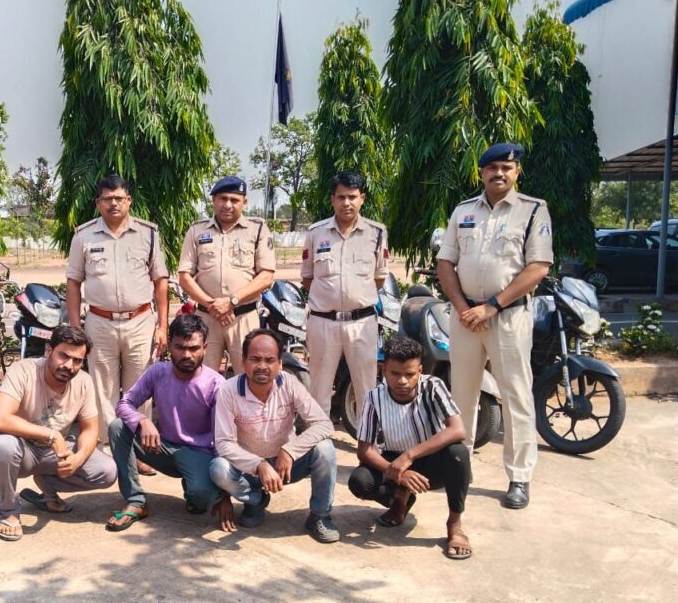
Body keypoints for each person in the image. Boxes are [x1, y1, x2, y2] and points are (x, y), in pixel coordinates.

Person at [436, 143, 552, 510]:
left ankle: (519, 476)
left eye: (506, 167)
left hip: (507, 317)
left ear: (517, 172)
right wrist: (462, 308)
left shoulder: (533, 210)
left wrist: (491, 307)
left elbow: (538, 267)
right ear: (481, 172)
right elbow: (445, 263)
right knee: (461, 396)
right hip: (465, 317)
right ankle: (459, 467)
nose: (499, 173)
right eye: (492, 168)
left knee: (516, 395)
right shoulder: (463, 211)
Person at [0, 324, 117, 541]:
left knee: (107, 471)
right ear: (49, 350)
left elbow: (90, 429)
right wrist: (51, 435)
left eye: (77, 360)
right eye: (63, 356)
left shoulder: (84, 381)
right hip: (22, 450)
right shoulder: (23, 370)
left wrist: (78, 458)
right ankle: (9, 511)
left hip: (54, 454)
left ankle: (47, 485)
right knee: (3, 446)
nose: (69, 366)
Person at [66, 174, 169, 445]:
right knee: (103, 389)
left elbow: (160, 281)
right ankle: (109, 446)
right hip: (99, 323)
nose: (114, 203)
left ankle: (138, 447)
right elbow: (73, 282)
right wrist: (76, 328)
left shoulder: (147, 233)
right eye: (107, 198)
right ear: (98, 202)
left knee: (140, 387)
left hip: (140, 322)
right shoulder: (83, 236)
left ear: (129, 200)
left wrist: (162, 326)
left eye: (119, 198)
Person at [209, 329, 340, 542]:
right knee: (218, 468)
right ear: (243, 361)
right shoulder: (228, 390)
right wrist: (259, 465)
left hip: (285, 467)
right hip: (249, 470)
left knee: (325, 449)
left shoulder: (289, 383)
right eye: (255, 359)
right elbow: (223, 443)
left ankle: (320, 516)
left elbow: (324, 424)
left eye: (270, 360)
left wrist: (290, 450)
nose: (262, 366)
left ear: (280, 364)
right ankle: (256, 501)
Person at [348, 336, 473, 559]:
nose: (403, 381)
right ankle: (400, 500)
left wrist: (409, 456)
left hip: (429, 462)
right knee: (360, 481)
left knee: (458, 454)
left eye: (410, 374)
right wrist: (397, 472)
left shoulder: (433, 386)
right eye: (395, 374)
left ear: (420, 371)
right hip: (394, 461)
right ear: (384, 370)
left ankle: (455, 525)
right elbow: (364, 451)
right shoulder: (374, 398)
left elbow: (457, 430)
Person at [106, 314, 231, 531]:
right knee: (118, 427)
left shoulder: (216, 385)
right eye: (179, 347)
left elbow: (223, 439)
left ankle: (194, 488)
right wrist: (142, 420)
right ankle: (136, 501)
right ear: (169, 347)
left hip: (199, 453)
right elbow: (124, 404)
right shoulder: (158, 372)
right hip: (162, 448)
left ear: (205, 348)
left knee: (202, 498)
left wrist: (225, 494)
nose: (186, 355)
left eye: (193, 348)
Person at [301, 171, 389, 422]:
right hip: (323, 322)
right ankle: (319, 441)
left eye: (352, 197)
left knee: (366, 389)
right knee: (319, 388)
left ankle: (367, 441)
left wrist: (354, 298)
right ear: (333, 199)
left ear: (362, 198)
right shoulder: (316, 233)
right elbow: (308, 278)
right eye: (341, 197)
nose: (346, 203)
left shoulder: (376, 232)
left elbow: (379, 278)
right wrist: (330, 299)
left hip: (362, 323)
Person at [177, 175, 275, 375]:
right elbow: (184, 275)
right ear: (213, 200)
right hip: (206, 318)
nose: (228, 205)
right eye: (222, 199)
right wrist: (212, 305)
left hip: (243, 317)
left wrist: (231, 301)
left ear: (244, 202)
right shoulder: (197, 230)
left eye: (234, 200)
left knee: (249, 376)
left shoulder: (257, 229)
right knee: (201, 378)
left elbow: (266, 276)